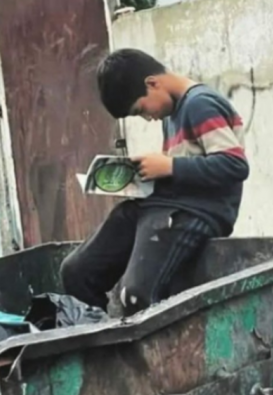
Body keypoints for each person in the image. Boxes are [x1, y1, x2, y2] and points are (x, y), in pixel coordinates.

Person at [60, 48, 249, 316]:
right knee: (76, 272)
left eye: (141, 110)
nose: (149, 118)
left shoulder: (199, 104)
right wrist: (143, 174)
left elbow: (234, 164)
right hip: (163, 206)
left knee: (135, 295)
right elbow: (186, 166)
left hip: (198, 211)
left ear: (152, 83)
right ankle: (98, 349)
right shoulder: (171, 113)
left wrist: (169, 165)